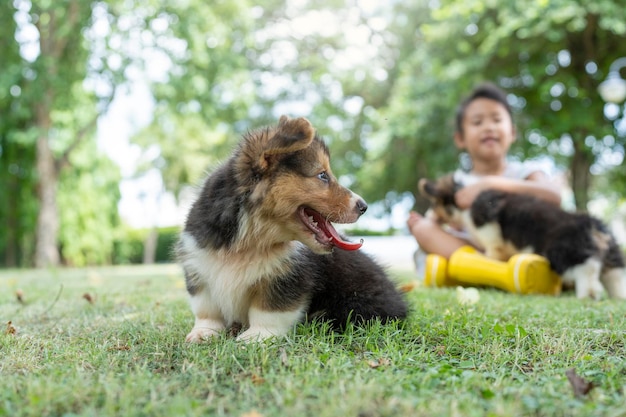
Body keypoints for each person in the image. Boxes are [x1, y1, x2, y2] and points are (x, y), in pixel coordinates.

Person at [407, 82, 562, 262]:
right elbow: (435, 219)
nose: (489, 127)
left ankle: (495, 272)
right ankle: (495, 274)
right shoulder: (455, 184)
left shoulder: (525, 172)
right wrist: (420, 224)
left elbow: (554, 196)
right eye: (477, 122)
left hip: (524, 246)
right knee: (423, 229)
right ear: (460, 138)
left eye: (497, 120)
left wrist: (490, 184)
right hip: (478, 251)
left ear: (512, 132)